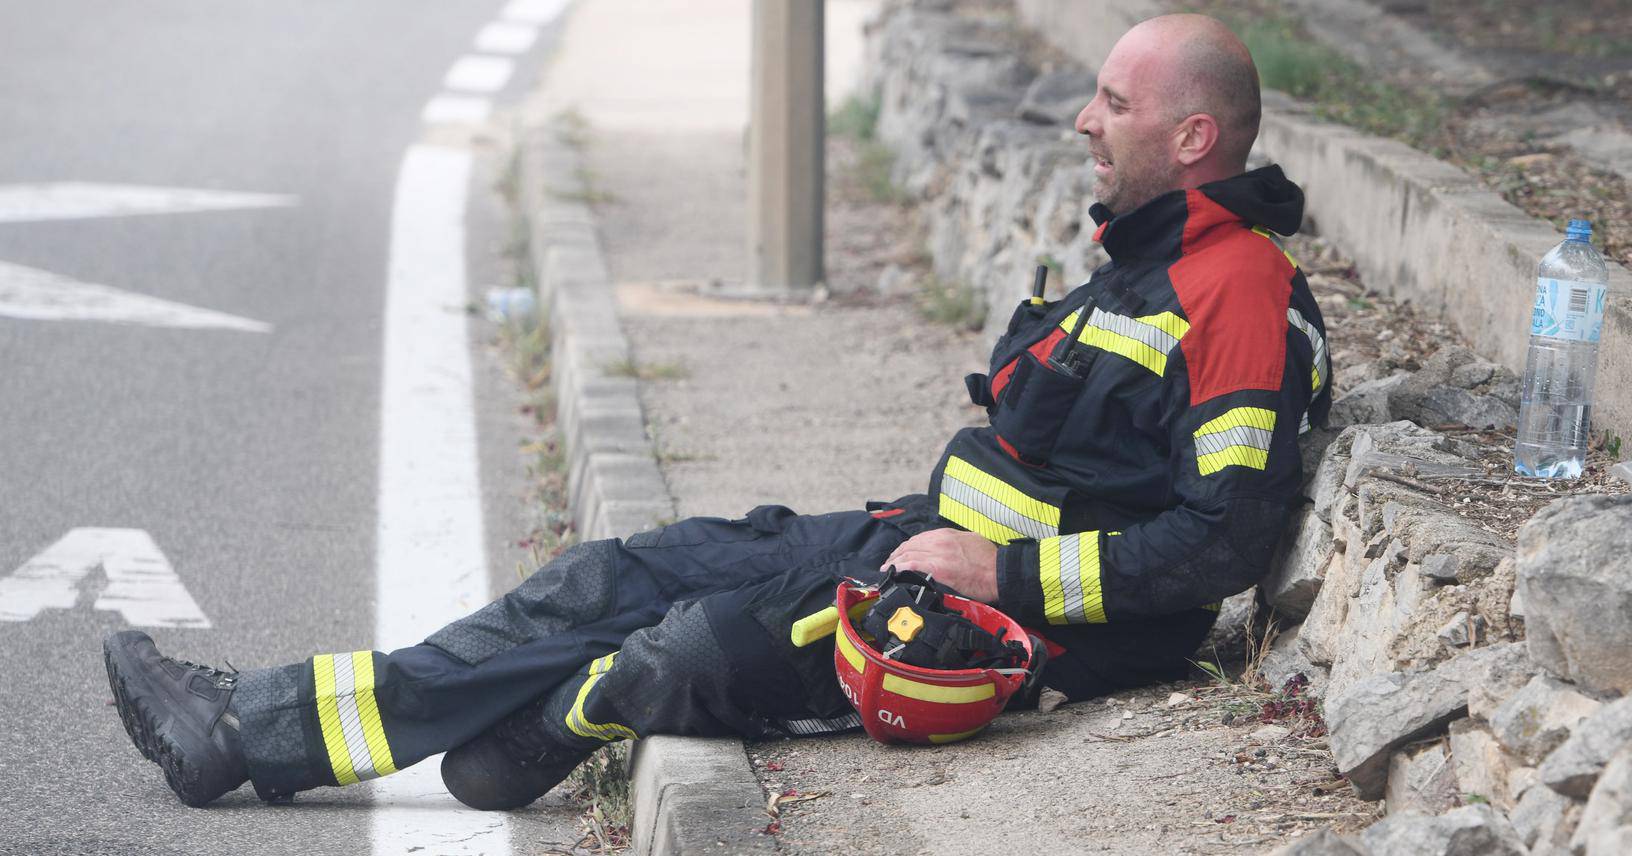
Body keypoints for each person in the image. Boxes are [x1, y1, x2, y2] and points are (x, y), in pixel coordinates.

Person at [103, 12, 1331, 810]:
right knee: (614, 573)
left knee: (678, 648)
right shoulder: (1145, 260)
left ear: (1194, 133)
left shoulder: (1238, 294)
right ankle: (251, 722)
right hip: (917, 546)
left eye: (1113, 102)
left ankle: (539, 723)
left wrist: (1007, 576)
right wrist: (957, 546)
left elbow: (1215, 548)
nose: (1082, 118)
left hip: (1020, 623)